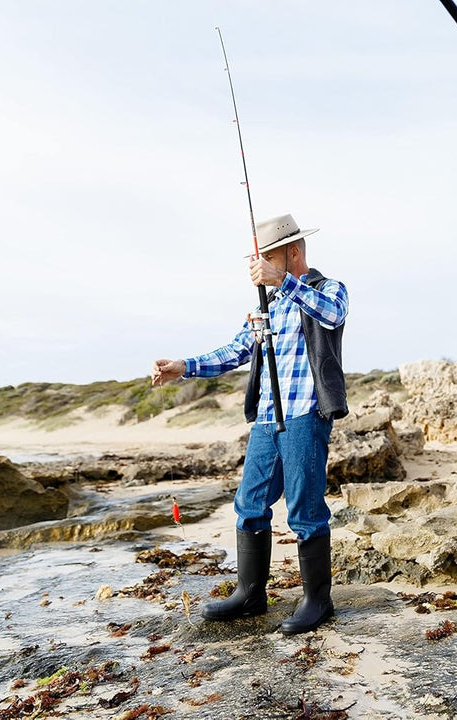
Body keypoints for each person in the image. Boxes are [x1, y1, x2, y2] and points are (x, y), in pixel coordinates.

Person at [152, 212, 349, 636]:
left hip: (304, 416)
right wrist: (183, 367)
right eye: (259, 262)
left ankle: (319, 601)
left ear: (292, 253)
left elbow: (332, 316)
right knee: (249, 505)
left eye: (269, 259)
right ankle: (250, 593)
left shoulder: (325, 290)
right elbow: (237, 351)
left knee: (305, 512)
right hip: (265, 420)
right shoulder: (270, 305)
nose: (259, 269)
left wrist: (284, 281)